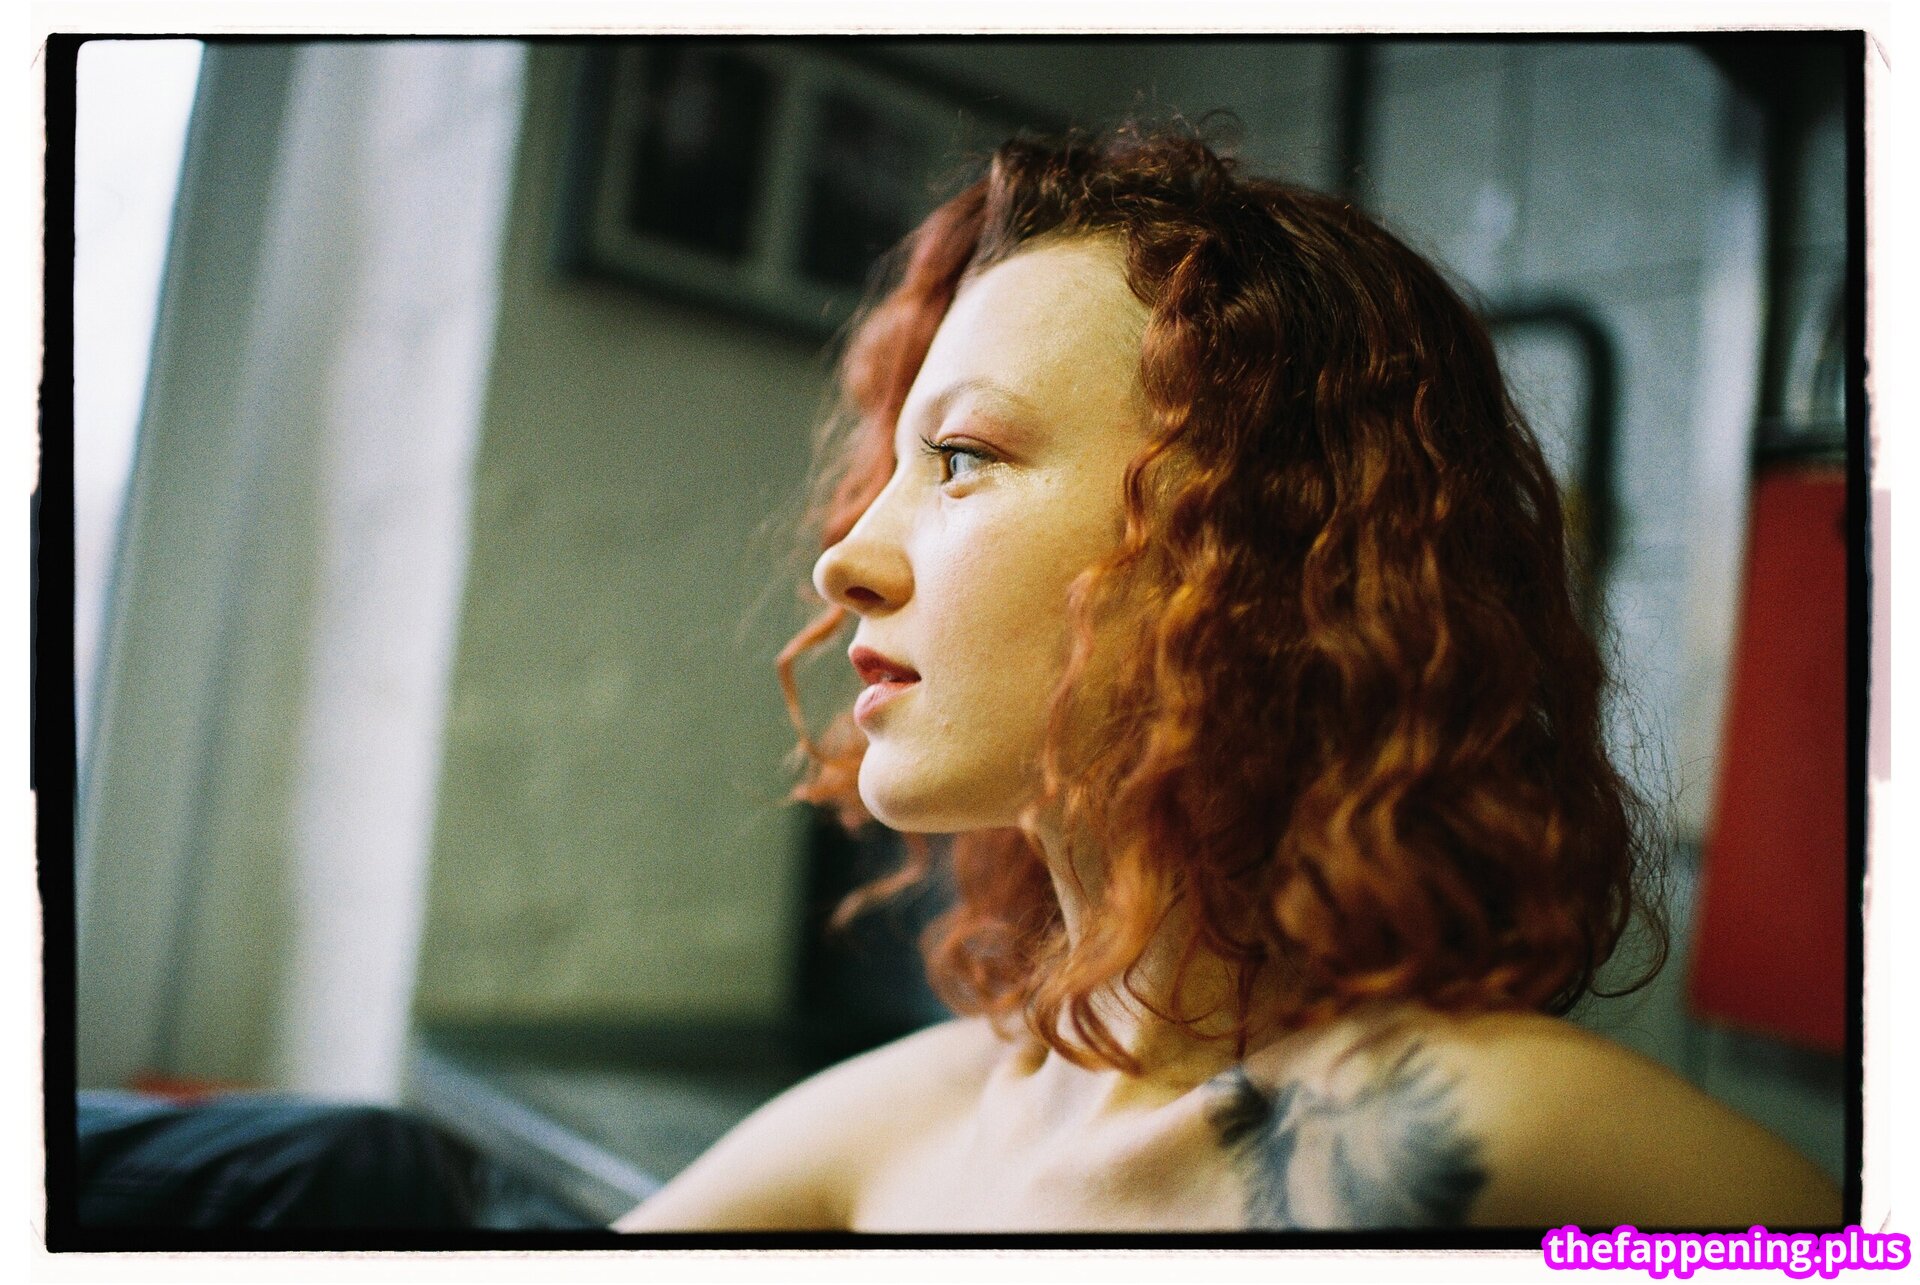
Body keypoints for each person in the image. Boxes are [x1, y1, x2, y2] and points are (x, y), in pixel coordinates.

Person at [617, 127, 1842, 1232]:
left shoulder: (1511, 1133)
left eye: (963, 456)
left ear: (1259, 537)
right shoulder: (911, 1124)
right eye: (891, 466)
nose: (844, 559)